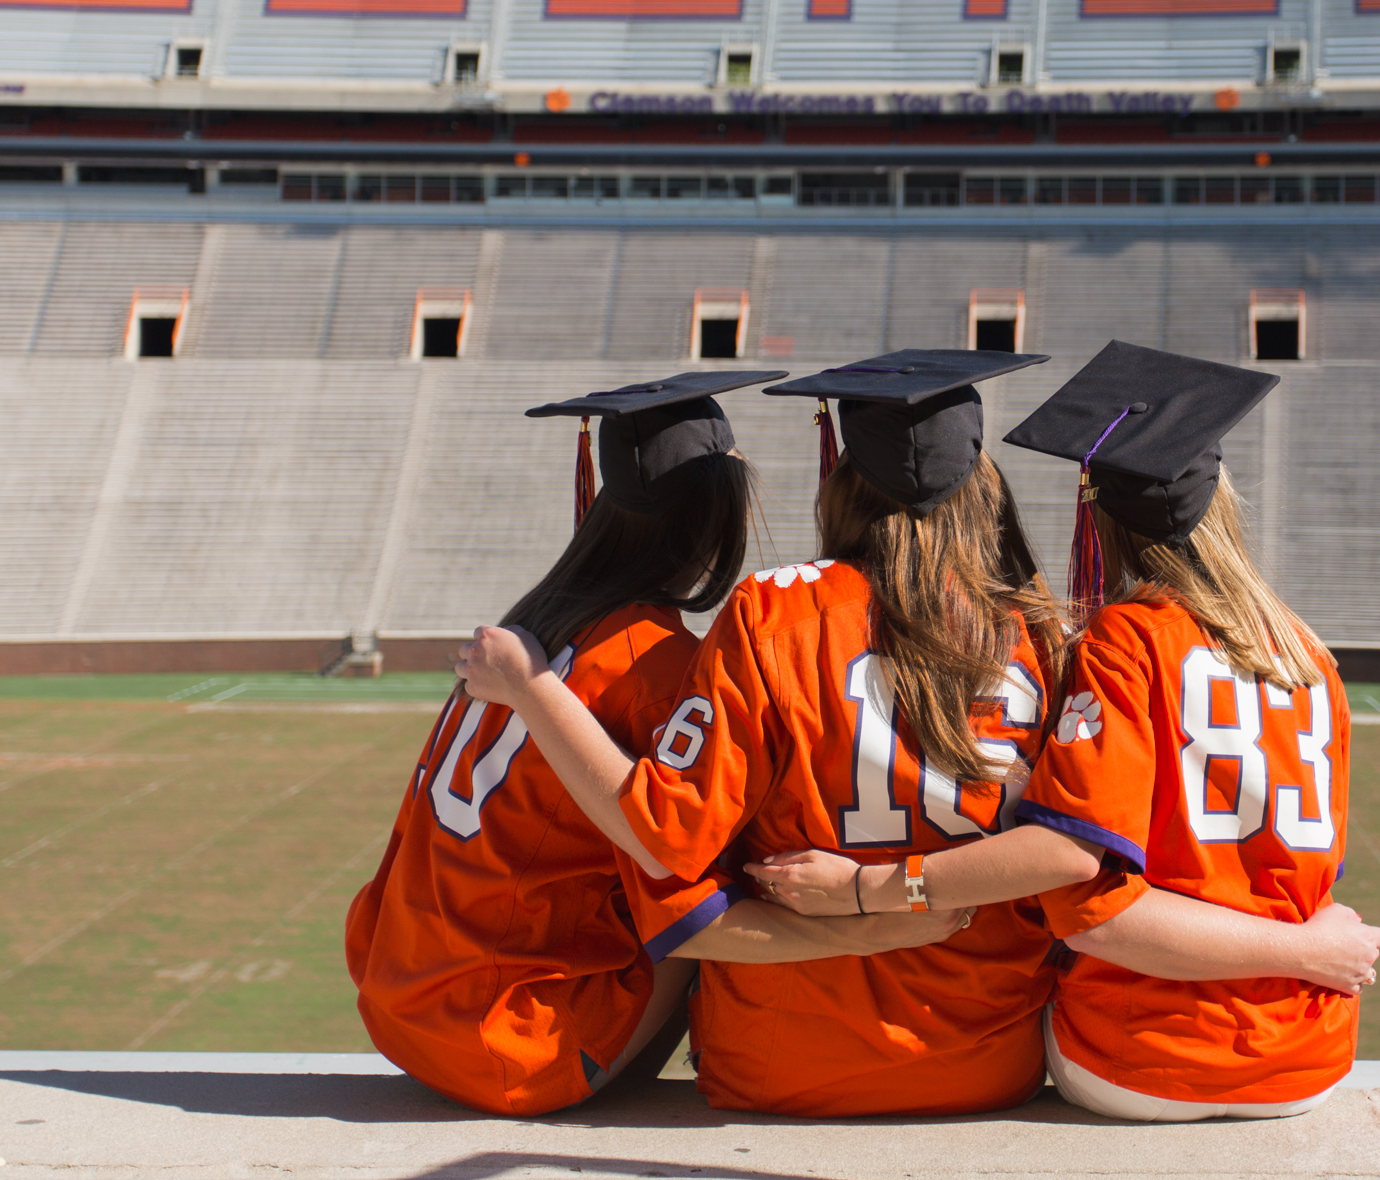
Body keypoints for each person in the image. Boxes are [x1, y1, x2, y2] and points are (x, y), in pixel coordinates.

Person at [750, 341, 1380, 1122]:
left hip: (1143, 1054)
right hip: (1309, 1054)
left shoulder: (1125, 641)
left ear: (1103, 521)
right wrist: (1305, 950)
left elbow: (1098, 912)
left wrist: (865, 889)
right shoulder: (1309, 655)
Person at [457, 348, 1070, 1117]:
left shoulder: (771, 612)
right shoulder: (1040, 633)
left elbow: (668, 830)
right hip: (989, 1057)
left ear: (843, 474)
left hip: (783, 1060)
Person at [347, 370, 965, 1118]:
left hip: (401, 1003)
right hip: (507, 1040)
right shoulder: (655, 666)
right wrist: (880, 920)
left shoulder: (531, 626)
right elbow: (698, 900)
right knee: (735, 881)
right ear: (717, 516)